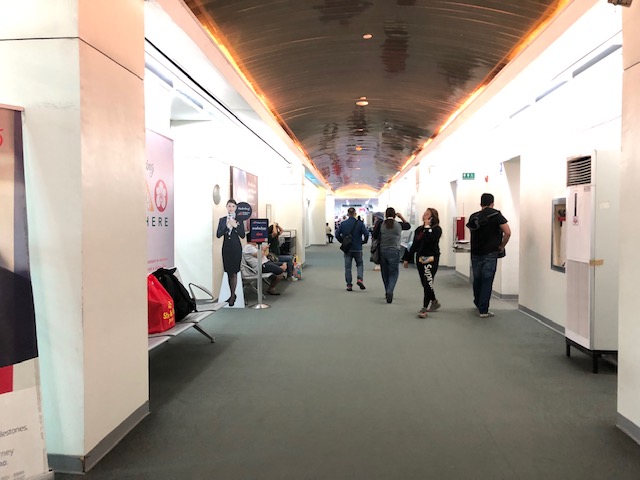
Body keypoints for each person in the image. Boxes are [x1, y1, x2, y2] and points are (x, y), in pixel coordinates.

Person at [467, 193, 511, 318]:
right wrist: (502, 245)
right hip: (490, 253)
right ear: (492, 203)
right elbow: (507, 232)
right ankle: (483, 310)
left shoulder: (473, 217)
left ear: (480, 203)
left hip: (476, 252)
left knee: (477, 279)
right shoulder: (496, 215)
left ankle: (477, 302)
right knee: (487, 280)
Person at [403, 208, 442, 318]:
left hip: (432, 259)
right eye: (424, 213)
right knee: (424, 283)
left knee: (428, 282)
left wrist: (427, 227)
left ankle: (424, 308)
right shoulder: (419, 230)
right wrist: (407, 258)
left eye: (427, 214)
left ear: (432, 217)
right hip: (420, 259)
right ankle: (434, 301)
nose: (424, 215)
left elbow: (430, 240)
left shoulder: (436, 229)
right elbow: (414, 245)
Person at [373, 207, 410, 303]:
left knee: (385, 273)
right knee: (393, 273)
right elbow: (408, 226)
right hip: (394, 251)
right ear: (394, 215)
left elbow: (374, 235)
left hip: (383, 251)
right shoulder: (399, 225)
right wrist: (401, 217)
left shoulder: (381, 224)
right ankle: (390, 290)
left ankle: (387, 291)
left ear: (385, 215)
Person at [216, 199, 245, 306]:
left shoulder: (239, 220)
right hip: (226, 248)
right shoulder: (222, 220)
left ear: (236, 208)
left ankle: (232, 296)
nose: (231, 208)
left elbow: (242, 235)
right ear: (226, 207)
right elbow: (218, 234)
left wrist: (236, 226)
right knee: (228, 271)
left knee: (234, 272)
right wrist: (227, 227)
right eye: (229, 206)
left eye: (233, 206)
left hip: (236, 248)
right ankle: (232, 294)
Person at [242, 231, 287, 295]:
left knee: (283, 264)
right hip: (261, 266)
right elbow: (260, 255)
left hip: (266, 263)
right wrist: (264, 249)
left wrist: (263, 249)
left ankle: (273, 283)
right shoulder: (248, 247)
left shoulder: (254, 246)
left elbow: (263, 255)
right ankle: (271, 288)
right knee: (280, 271)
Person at [336, 207, 370, 291]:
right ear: (355, 214)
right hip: (357, 248)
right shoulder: (360, 223)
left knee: (348, 267)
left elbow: (337, 234)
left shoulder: (343, 224)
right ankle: (359, 279)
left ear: (348, 214)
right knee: (360, 264)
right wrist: (364, 241)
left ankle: (349, 285)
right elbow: (366, 234)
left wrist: (342, 241)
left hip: (347, 248)